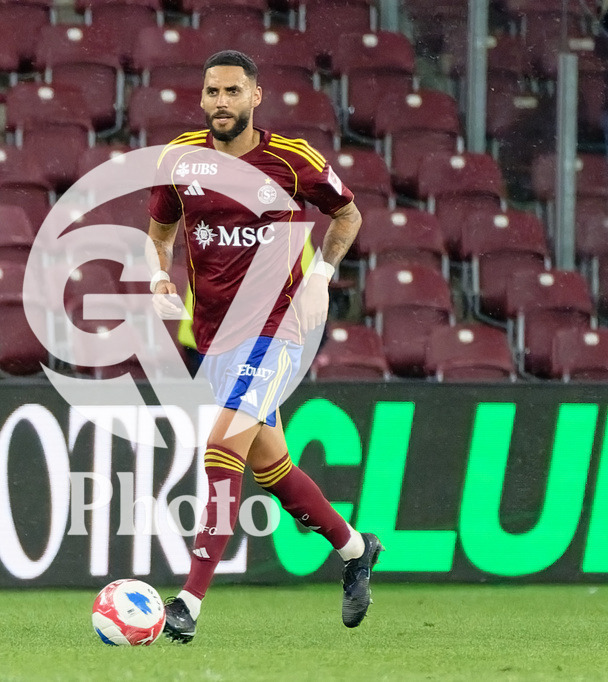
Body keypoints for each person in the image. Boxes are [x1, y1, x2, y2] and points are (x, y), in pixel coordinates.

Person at [144, 50, 381, 643]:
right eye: (211, 92)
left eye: (231, 91)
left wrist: (323, 274)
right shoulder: (181, 161)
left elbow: (347, 214)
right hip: (213, 340)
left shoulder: (292, 160)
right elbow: (160, 231)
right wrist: (157, 275)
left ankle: (188, 604)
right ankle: (356, 548)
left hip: (278, 332)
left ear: (255, 97)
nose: (220, 102)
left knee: (220, 449)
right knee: (271, 468)